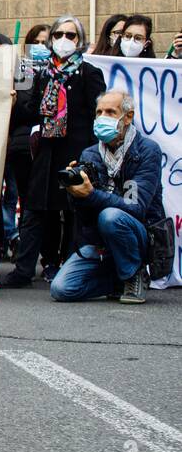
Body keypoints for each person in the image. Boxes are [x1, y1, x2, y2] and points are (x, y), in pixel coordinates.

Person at [3, 15, 106, 287]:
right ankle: (24, 269)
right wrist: (12, 100)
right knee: (35, 210)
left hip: (76, 151)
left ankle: (72, 266)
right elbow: (31, 110)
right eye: (59, 34)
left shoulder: (89, 73)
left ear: (80, 41)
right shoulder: (42, 73)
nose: (63, 40)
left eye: (70, 35)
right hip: (46, 151)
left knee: (74, 212)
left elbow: (98, 112)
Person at [50, 90, 163, 305]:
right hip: (99, 240)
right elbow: (82, 214)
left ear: (128, 117)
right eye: (99, 112)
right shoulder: (90, 154)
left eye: (111, 112)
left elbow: (134, 206)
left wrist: (91, 194)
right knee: (61, 289)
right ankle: (118, 280)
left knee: (111, 216)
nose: (103, 117)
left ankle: (133, 273)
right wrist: (75, 193)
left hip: (137, 235)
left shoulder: (147, 151)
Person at [1, 24, 51, 258]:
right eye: (37, 42)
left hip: (47, 144)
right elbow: (22, 107)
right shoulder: (22, 69)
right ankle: (16, 242)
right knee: (17, 195)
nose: (42, 47)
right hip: (21, 145)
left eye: (46, 42)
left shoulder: (60, 70)